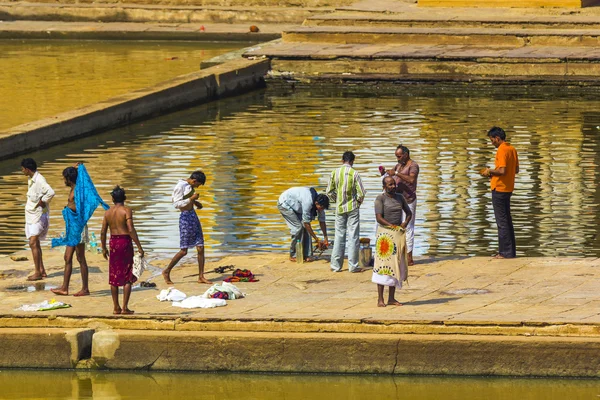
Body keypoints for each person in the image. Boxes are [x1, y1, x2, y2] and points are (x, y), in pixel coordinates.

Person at [51, 163, 109, 296]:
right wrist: (78, 167)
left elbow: (83, 201)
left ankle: (84, 288)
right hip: (73, 228)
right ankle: (65, 288)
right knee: (69, 257)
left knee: (79, 258)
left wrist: (80, 168)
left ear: (69, 179)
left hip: (78, 227)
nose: (64, 181)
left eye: (64, 178)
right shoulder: (73, 189)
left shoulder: (78, 191)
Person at [101, 186, 144, 315]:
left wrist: (103, 247)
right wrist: (139, 247)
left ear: (113, 198)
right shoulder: (126, 211)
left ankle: (116, 307)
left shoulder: (107, 212)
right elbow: (130, 229)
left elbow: (103, 231)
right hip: (125, 242)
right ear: (124, 198)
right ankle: (125, 307)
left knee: (114, 275)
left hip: (113, 243)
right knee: (127, 275)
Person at [162, 171, 210, 285]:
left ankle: (201, 276)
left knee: (200, 247)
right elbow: (176, 204)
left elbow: (188, 199)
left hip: (193, 215)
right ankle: (167, 271)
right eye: (197, 184)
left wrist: (196, 203)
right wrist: (191, 199)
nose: (197, 187)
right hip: (185, 218)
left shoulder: (188, 186)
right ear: (194, 181)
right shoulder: (180, 186)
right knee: (184, 250)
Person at [480, 127, 519, 259]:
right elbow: (516, 169)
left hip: (499, 189)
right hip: (508, 188)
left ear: (497, 138)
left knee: (501, 222)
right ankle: (511, 251)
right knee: (507, 220)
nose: (492, 143)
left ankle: (504, 253)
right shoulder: (512, 149)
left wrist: (489, 171)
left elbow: (502, 171)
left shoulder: (502, 149)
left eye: (492, 140)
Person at [373, 176, 412, 307]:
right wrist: (391, 226)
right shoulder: (380, 198)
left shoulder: (400, 197)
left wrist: (404, 223)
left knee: (396, 265)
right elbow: (379, 218)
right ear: (384, 187)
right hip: (384, 235)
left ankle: (391, 298)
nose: (393, 186)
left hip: (397, 234)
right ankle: (380, 299)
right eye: (390, 185)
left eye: (394, 184)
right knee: (382, 266)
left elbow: (409, 213)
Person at [327, 151, 366, 273]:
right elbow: (362, 193)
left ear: (342, 160)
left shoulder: (334, 172)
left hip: (339, 208)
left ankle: (336, 266)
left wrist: (337, 199)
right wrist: (357, 203)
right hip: (352, 207)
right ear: (352, 161)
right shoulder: (354, 173)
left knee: (339, 235)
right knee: (353, 236)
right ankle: (353, 266)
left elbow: (329, 191)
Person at [20, 158, 55, 281]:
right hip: (31, 216)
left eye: (23, 169)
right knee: (35, 243)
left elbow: (50, 192)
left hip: (38, 216)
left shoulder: (40, 180)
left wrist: (43, 201)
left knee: (33, 243)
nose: (22, 171)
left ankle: (37, 273)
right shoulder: (31, 179)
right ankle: (42, 270)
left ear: (27, 169)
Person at [386, 145, 419, 266]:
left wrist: (396, 173)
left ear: (406, 154)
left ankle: (409, 258)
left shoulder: (413, 165)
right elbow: (392, 176)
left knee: (408, 227)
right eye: (396, 157)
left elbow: (411, 180)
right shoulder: (398, 165)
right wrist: (386, 174)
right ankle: (398, 254)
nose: (397, 159)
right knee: (397, 226)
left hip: (409, 200)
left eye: (399, 156)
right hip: (398, 200)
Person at [278, 187, 330, 262]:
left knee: (306, 228)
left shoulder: (320, 205)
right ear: (316, 203)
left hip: (296, 206)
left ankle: (307, 255)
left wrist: (325, 238)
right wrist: (317, 240)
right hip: (285, 204)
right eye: (321, 208)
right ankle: (293, 255)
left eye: (323, 208)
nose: (321, 210)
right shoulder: (308, 202)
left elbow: (322, 221)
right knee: (298, 228)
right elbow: (306, 223)